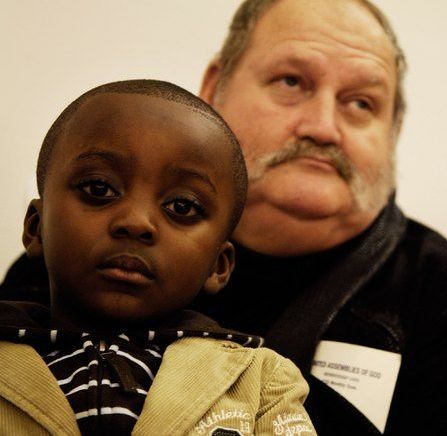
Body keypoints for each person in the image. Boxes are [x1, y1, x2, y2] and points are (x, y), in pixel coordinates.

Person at [1, 1, 447, 434]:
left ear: (394, 133)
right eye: (291, 82)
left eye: (361, 103)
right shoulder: (66, 270)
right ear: (213, 88)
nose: (322, 126)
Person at [0, 80, 316, 435]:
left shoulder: (261, 383)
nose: (136, 222)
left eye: (182, 207)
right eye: (98, 189)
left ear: (219, 265)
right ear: (36, 227)